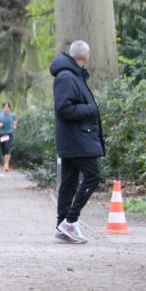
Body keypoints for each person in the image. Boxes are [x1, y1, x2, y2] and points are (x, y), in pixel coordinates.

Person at [50, 40, 106, 244]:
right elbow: (63, 109)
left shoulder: (73, 75)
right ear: (86, 56)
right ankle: (70, 221)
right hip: (76, 138)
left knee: (69, 181)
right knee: (93, 175)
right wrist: (90, 109)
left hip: (74, 138)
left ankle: (62, 224)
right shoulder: (66, 77)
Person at [0, 103, 19, 173]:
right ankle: (5, 165)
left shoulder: (12, 115)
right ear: (2, 108)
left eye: (7, 108)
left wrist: (15, 125)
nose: (6, 109)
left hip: (9, 134)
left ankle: (6, 165)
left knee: (8, 148)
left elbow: (16, 120)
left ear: (10, 109)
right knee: (3, 150)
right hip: (1, 134)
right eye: (4, 107)